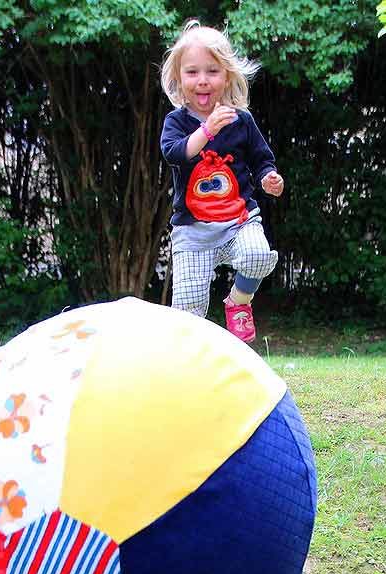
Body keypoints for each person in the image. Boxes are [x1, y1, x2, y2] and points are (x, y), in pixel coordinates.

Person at [159, 20, 284, 343]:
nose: (202, 81)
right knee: (188, 312)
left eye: (212, 71)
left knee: (258, 256)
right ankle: (188, 370)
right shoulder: (176, 122)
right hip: (193, 231)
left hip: (238, 221)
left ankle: (238, 302)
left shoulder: (241, 120)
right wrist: (208, 130)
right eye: (192, 72)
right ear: (178, 78)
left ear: (227, 75)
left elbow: (260, 159)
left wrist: (268, 177)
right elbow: (175, 154)